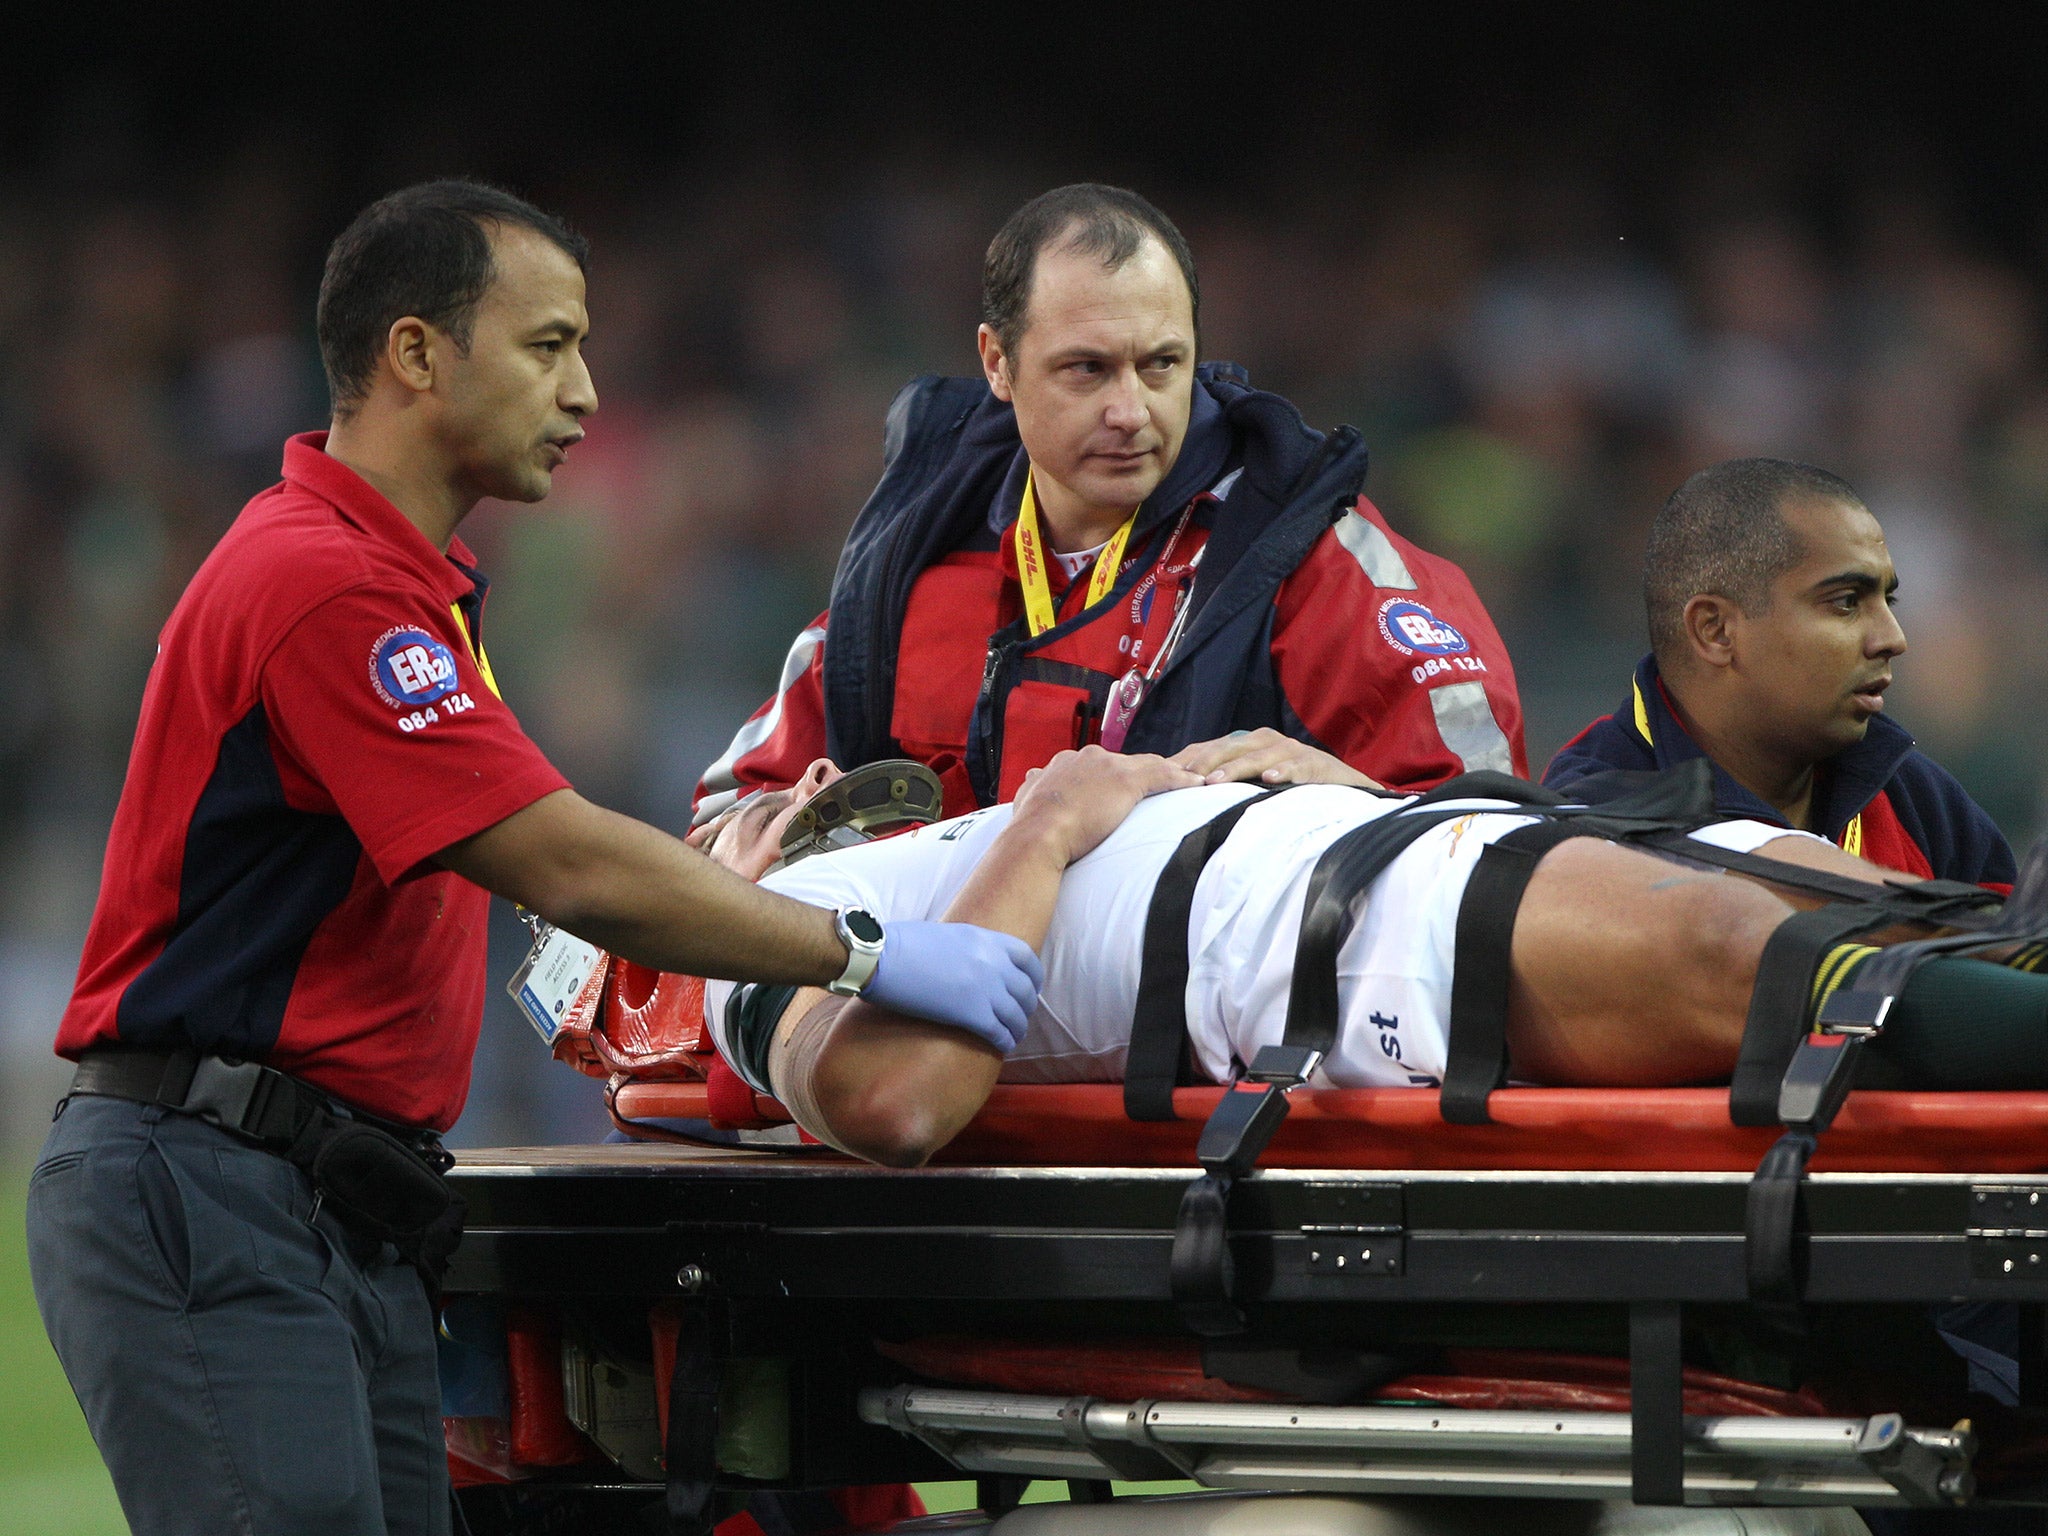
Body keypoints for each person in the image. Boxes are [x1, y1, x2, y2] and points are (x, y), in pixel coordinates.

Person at [24, 180, 1048, 1536]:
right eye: (548, 344)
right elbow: (565, 864)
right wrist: (862, 951)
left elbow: (536, 877)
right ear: (416, 354)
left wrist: (741, 870)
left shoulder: (404, 590)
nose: (585, 392)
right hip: (217, 1189)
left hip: (324, 1195)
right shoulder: (327, 584)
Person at [693, 748, 2047, 1170]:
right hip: (1347, 950)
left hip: (1430, 847)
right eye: (728, 809)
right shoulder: (750, 950)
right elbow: (895, 1102)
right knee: (1748, 949)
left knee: (1901, 905)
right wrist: (1052, 815)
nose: (793, 778)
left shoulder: (951, 853)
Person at [695, 183, 1524, 825]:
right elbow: (729, 813)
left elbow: (1492, 823)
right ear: (997, 362)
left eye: (1162, 365)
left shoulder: (1303, 554)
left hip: (1198, 1045)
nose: (1131, 411)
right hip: (947, 1036)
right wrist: (776, 833)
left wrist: (1349, 800)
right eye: (1086, 369)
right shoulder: (909, 557)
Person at [1544, 459, 2013, 889]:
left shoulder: (1917, 798)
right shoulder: (1590, 825)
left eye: (1887, 602)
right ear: (1716, 631)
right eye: (1847, 602)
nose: (1893, 639)